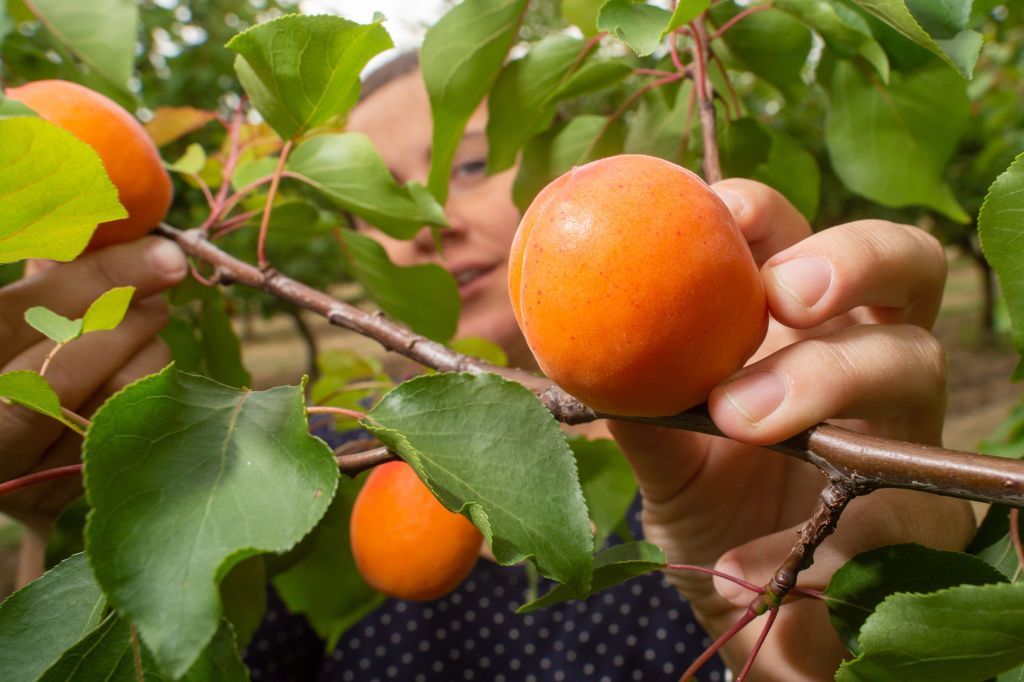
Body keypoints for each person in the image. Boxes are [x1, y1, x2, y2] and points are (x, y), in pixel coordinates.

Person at [0, 51, 976, 681]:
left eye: (464, 166)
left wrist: (875, 607)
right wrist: (94, 518)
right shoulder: (312, 466)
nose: (428, 225)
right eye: (382, 200)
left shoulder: (736, 487)